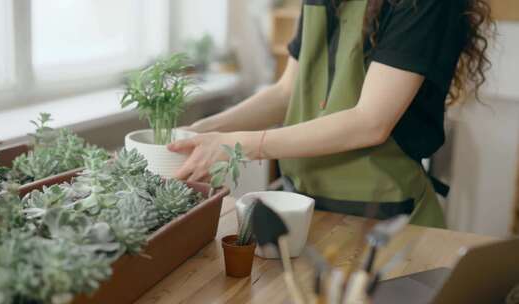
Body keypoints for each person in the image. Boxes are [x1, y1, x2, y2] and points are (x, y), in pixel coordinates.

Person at [167, 0, 494, 228]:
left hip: (382, 218)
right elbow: (287, 92)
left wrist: (236, 145)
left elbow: (371, 122)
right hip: (304, 206)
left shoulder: (424, 5)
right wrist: (201, 131)